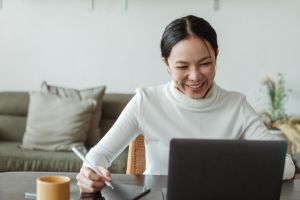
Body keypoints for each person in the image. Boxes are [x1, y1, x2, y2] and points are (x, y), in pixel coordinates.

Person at [76, 15, 295, 192]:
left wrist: (233, 169)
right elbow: (100, 154)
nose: (195, 76)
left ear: (216, 57)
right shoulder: (146, 101)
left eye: (205, 63)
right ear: (167, 64)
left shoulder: (236, 105)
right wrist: (89, 171)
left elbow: (285, 166)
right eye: (182, 67)